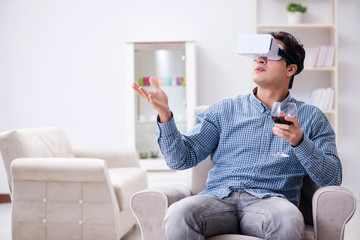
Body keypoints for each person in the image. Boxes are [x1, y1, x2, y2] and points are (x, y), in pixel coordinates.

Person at [132, 31, 342, 240]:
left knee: (288, 219)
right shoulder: (224, 110)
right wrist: (165, 115)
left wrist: (299, 142)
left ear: (291, 68)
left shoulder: (312, 117)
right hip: (218, 199)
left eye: (271, 54)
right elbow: (180, 159)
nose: (260, 59)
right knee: (178, 214)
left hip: (271, 203)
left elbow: (332, 178)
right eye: (258, 54)